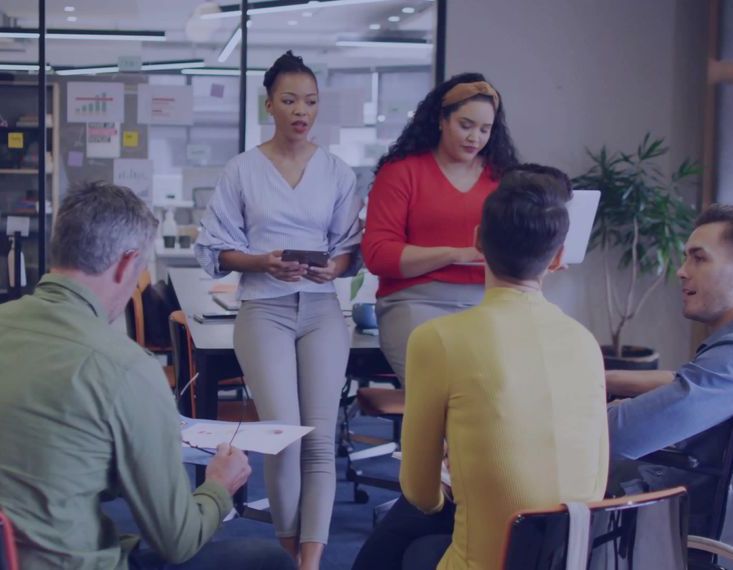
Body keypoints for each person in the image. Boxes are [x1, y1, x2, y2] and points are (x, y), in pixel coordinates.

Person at [0, 182, 294, 570]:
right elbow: (178, 541)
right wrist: (218, 486)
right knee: (268, 560)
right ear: (127, 263)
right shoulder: (124, 367)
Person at [353, 165, 609, 570]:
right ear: (559, 257)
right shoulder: (585, 342)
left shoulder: (438, 339)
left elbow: (420, 492)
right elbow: (596, 480)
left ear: (477, 240)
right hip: (568, 556)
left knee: (407, 543)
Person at [193, 51, 362, 570]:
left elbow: (349, 247)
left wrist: (333, 269)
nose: (301, 111)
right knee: (284, 436)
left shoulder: (337, 171)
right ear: (269, 105)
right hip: (263, 309)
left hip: (321, 309)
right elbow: (216, 249)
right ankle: (289, 555)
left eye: (310, 101)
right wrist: (262, 262)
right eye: (289, 100)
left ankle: (311, 561)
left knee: (320, 440)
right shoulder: (243, 169)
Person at [606, 204, 733, 532]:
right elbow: (690, 382)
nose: (681, 271)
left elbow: (618, 434)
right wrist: (605, 379)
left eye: (699, 259)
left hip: (681, 513)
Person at [361, 72, 519, 382]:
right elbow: (379, 255)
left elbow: (515, 245)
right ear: (441, 120)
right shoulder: (401, 172)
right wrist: (457, 254)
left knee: (500, 392)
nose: (475, 138)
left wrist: (540, 258)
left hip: (489, 303)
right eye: (466, 125)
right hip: (415, 302)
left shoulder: (503, 177)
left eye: (485, 129)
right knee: (448, 393)